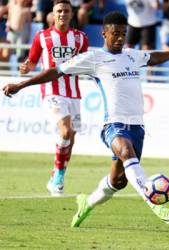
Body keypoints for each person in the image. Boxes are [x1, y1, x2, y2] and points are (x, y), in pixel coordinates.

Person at [2, 11, 169, 226]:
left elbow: (154, 57)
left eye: (123, 33)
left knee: (117, 181)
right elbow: (55, 71)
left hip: (138, 127)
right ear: (104, 34)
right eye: (115, 34)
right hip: (113, 124)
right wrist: (20, 85)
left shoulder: (132, 55)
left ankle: (87, 203)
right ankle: (156, 205)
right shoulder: (93, 59)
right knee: (125, 151)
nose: (120, 38)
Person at [19, 0, 89, 196]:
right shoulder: (42, 36)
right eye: (59, 11)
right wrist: (26, 67)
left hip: (74, 93)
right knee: (65, 132)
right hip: (51, 91)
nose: (62, 14)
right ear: (52, 13)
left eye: (66, 11)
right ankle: (58, 174)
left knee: (71, 139)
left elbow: (84, 63)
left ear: (71, 14)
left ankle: (57, 177)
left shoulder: (81, 38)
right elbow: (32, 62)